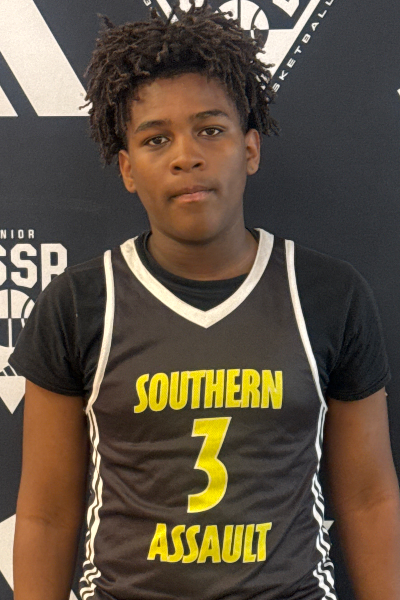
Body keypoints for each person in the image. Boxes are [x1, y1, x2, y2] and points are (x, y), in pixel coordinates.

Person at [10, 1, 400, 599]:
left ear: (250, 149)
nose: (185, 155)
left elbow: (370, 497)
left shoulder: (327, 294)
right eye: (156, 138)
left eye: (210, 130)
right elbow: (45, 513)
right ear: (127, 169)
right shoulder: (79, 303)